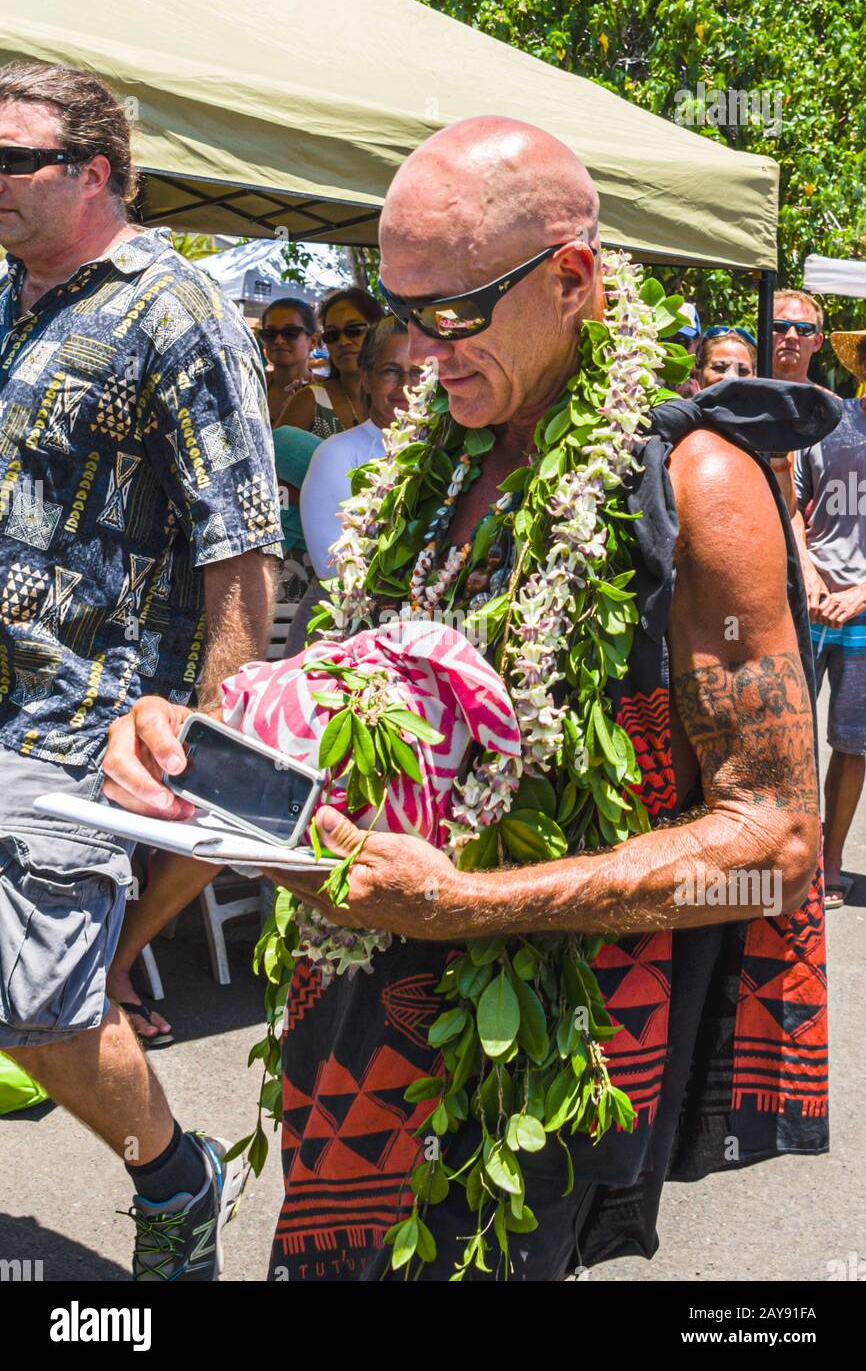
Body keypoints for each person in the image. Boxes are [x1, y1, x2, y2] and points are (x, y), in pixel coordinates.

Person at [102, 116, 832, 1283]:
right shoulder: (432, 458)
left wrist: (471, 902)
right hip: (354, 1009)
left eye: (453, 311)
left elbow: (778, 847)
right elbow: (351, 719)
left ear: (573, 278)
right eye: (400, 310)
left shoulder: (700, 486)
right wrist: (196, 746)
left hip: (530, 1047)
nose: (421, 350)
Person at [0, 61, 283, 1279]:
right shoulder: (15, 294)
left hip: (86, 725)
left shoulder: (178, 310)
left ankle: (175, 1174)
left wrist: (204, 749)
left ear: (95, 172)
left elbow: (242, 550)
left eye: (14, 159)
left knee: (42, 1012)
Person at [794, 327, 866, 908]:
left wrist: (863, 592)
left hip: (865, 613)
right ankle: (793, 852)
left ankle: (832, 856)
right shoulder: (829, 421)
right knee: (789, 732)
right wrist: (810, 573)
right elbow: (792, 504)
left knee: (853, 742)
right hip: (810, 600)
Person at [300, 315, 422, 579]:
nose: (405, 386)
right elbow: (330, 566)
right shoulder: (337, 454)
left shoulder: (450, 450)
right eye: (390, 371)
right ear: (366, 378)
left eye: (417, 372)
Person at [275, 286, 383, 436]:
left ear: (379, 329)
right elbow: (272, 458)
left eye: (354, 330)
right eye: (332, 335)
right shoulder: (309, 401)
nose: (343, 341)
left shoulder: (404, 394)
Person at [772, 288, 829, 515]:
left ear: (817, 342)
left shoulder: (831, 409)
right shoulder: (740, 400)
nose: (792, 336)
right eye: (780, 326)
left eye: (804, 329)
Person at [260, 295, 318, 425]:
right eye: (270, 334)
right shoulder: (251, 388)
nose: (279, 340)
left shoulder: (329, 391)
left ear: (313, 341)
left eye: (291, 333)